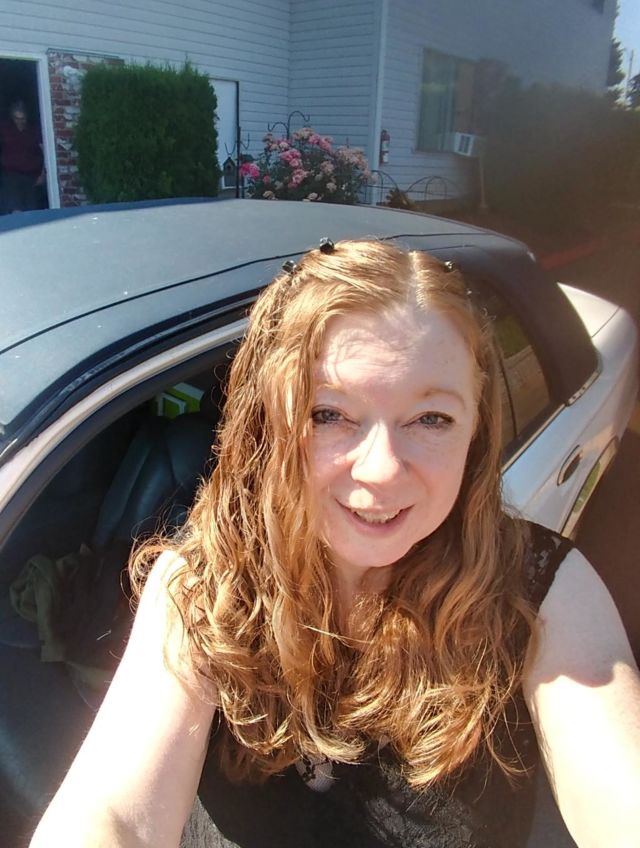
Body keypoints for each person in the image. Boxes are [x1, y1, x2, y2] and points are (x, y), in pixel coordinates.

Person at [30, 240, 640, 847]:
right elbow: (116, 813)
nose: (381, 469)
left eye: (431, 419)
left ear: (475, 431)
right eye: (329, 415)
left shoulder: (542, 590)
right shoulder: (203, 583)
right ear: (270, 423)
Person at [0, 100, 45, 213]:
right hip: (10, 175)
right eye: (17, 118)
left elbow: (44, 151)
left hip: (31, 176)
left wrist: (43, 174)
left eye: (22, 119)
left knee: (32, 209)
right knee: (15, 210)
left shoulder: (33, 130)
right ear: (12, 117)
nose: (19, 122)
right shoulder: (5, 129)